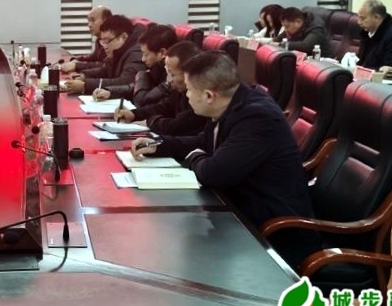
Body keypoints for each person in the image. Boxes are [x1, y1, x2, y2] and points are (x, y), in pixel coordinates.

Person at [130, 51, 320, 268]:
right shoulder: (232, 103)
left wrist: (194, 156)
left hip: (272, 234)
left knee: (173, 253)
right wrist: (159, 145)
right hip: (237, 213)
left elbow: (213, 174)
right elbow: (204, 142)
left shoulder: (257, 117)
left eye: (190, 90)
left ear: (209, 95)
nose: (186, 96)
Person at [115, 41, 207, 136]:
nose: (169, 80)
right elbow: (164, 107)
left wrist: (150, 122)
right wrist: (135, 114)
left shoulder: (200, 99)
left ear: (188, 74)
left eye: (172, 74)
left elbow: (177, 126)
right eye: (168, 73)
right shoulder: (180, 90)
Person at [93, 23, 175, 104]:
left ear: (162, 53)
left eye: (146, 54)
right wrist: (110, 92)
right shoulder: (156, 69)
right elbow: (134, 88)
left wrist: (142, 75)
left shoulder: (172, 78)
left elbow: (142, 100)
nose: (143, 59)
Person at [64, 15, 147, 95]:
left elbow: (124, 82)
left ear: (124, 37)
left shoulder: (137, 53)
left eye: (107, 41)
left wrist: (85, 85)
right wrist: (83, 75)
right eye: (103, 42)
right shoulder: (118, 51)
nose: (105, 47)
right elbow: (104, 70)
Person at [355, 0, 392, 69]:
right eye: (358, 17)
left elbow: (390, 70)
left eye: (363, 18)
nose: (359, 22)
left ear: (376, 17)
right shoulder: (366, 33)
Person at [60, 5, 112, 73]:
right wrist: (76, 60)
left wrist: (77, 65)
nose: (89, 25)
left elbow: (105, 66)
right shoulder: (99, 39)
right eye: (88, 21)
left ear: (106, 21)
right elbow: (93, 58)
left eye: (93, 20)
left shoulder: (114, 41)